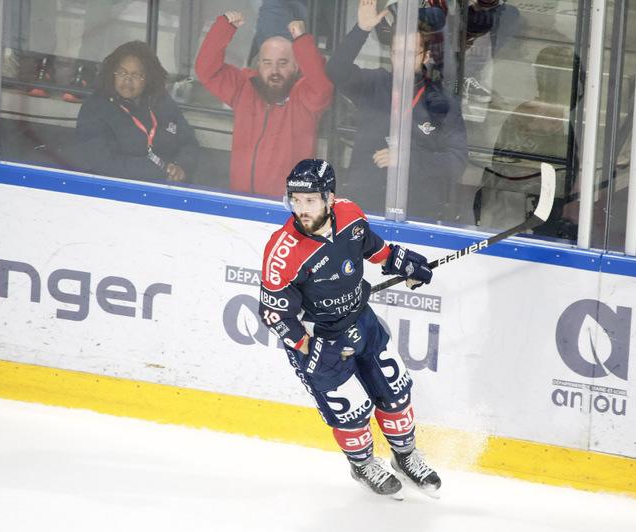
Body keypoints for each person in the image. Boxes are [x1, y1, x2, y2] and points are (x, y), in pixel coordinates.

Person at [258, 159, 442, 499]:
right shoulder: (282, 252)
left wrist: (403, 262)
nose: (302, 209)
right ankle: (363, 465)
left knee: (394, 390)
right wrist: (306, 346)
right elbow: (273, 313)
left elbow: (373, 248)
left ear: (329, 198)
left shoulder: (350, 214)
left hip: (362, 320)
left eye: (310, 200)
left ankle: (405, 456)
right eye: (295, 201)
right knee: (352, 412)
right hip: (321, 339)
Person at [326, 0, 467, 218]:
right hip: (363, 207)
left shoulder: (442, 103)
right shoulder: (374, 83)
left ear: (426, 56)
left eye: (411, 53)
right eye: (396, 52)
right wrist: (361, 29)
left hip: (417, 212)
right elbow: (336, 70)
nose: (401, 60)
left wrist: (409, 160)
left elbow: (457, 162)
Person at [195, 10, 333, 196]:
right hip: (242, 200)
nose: (274, 70)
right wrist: (224, 28)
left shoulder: (304, 99)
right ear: (258, 64)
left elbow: (321, 86)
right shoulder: (244, 88)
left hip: (289, 206)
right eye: (267, 63)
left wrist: (302, 40)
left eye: (282, 63)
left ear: (296, 66)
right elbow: (205, 70)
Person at [74, 41, 199, 184]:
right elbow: (102, 162)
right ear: (112, 73)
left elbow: (188, 141)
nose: (127, 80)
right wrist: (158, 170)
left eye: (136, 75)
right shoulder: (95, 107)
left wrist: (182, 167)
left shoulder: (160, 100)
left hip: (165, 187)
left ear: (148, 78)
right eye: (122, 73)